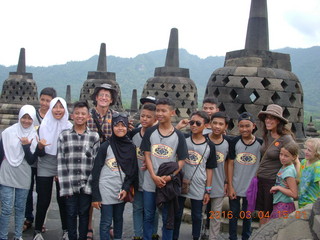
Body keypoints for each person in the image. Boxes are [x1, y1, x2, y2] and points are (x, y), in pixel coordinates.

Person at [140, 98, 188, 240]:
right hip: (150, 182)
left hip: (168, 184)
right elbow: (147, 156)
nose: (159, 113)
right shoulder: (150, 133)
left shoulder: (178, 135)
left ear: (172, 113)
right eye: (158, 110)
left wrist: (170, 176)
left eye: (163, 110)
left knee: (168, 217)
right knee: (148, 215)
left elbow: (181, 160)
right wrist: (154, 176)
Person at [57, 101, 100, 240]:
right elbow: (61, 163)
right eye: (77, 113)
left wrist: (89, 186)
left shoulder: (94, 137)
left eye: (83, 114)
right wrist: (66, 187)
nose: (80, 116)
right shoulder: (64, 136)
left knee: (84, 214)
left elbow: (96, 164)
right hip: (69, 184)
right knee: (70, 214)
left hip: (86, 184)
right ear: (72, 115)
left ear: (88, 117)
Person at [91, 112, 138, 240]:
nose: (120, 128)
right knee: (106, 222)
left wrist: (126, 188)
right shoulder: (105, 146)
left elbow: (132, 171)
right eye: (117, 125)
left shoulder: (131, 147)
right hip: (106, 188)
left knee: (118, 219)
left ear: (127, 126)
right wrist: (95, 196)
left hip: (120, 190)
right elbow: (96, 171)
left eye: (123, 125)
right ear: (112, 127)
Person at [0, 105, 44, 240]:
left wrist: (26, 146)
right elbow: (1, 153)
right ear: (19, 117)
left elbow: (31, 160)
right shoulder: (7, 132)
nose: (26, 121)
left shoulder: (34, 135)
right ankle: (3, 236)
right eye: (24, 117)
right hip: (7, 170)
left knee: (20, 208)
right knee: (6, 207)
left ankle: (18, 235)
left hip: (24, 172)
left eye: (29, 118)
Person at [173, 111, 217, 240]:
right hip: (181, 181)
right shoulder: (183, 139)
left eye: (198, 123)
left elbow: (209, 169)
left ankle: (195, 236)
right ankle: (174, 236)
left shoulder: (210, 146)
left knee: (197, 215)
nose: (194, 125)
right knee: (177, 213)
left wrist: (208, 190)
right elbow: (169, 137)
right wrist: (179, 126)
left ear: (206, 125)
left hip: (198, 183)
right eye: (192, 122)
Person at [33, 97, 73, 240]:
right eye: (55, 107)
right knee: (43, 199)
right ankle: (37, 230)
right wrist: (40, 147)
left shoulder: (69, 126)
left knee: (63, 199)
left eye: (60, 107)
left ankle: (66, 230)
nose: (58, 110)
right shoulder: (44, 125)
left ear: (65, 109)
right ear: (51, 109)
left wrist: (63, 168)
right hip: (45, 163)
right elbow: (39, 153)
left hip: (62, 164)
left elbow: (70, 151)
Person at [256, 104, 298, 225]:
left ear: (278, 120)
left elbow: (295, 159)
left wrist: (295, 179)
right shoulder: (267, 135)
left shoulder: (286, 139)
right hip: (262, 180)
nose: (268, 121)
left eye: (272, 118)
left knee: (268, 214)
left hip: (272, 181)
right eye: (266, 118)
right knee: (262, 213)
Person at [86, 83, 118, 239]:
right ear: (96, 98)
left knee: (108, 192)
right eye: (101, 95)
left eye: (107, 96)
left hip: (108, 162)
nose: (104, 98)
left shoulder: (117, 117)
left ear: (111, 100)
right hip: (89, 159)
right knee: (90, 194)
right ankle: (89, 226)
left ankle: (109, 224)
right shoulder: (87, 115)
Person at [24, 87, 57, 232]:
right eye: (42, 99)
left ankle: (41, 219)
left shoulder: (54, 118)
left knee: (44, 194)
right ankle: (28, 217)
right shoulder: (32, 116)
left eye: (48, 101)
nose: (44, 103)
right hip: (31, 160)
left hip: (46, 162)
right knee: (28, 190)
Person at [227, 112, 263, 240]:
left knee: (248, 216)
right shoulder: (234, 142)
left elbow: (262, 165)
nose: (244, 129)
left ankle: (246, 237)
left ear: (253, 126)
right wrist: (230, 185)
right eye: (241, 126)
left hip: (251, 188)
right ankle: (232, 237)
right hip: (235, 186)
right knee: (233, 215)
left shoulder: (260, 144)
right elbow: (230, 164)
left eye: (247, 126)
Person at [129, 103, 159, 240]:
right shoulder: (134, 134)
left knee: (152, 209)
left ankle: (153, 233)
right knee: (137, 207)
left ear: (155, 119)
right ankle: (137, 235)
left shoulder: (157, 135)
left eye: (149, 117)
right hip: (137, 177)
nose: (145, 119)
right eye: (142, 116)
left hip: (152, 179)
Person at [207, 112, 231, 240]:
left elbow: (228, 164)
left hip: (219, 183)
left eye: (221, 124)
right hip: (201, 184)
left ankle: (213, 237)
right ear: (210, 124)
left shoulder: (228, 143)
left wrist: (227, 182)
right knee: (198, 214)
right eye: (214, 123)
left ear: (226, 126)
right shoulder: (202, 139)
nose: (217, 126)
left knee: (215, 215)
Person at [269, 142, 299, 219]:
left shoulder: (289, 171)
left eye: (286, 156)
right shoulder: (284, 167)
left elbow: (294, 194)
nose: (282, 157)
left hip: (284, 205)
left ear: (294, 157)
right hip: (279, 202)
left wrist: (278, 188)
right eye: (281, 154)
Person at [298, 138, 320, 208]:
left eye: (309, 150)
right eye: (306, 149)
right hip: (301, 202)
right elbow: (300, 179)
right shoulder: (303, 162)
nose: (306, 152)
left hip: (312, 204)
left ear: (317, 152)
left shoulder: (317, 165)